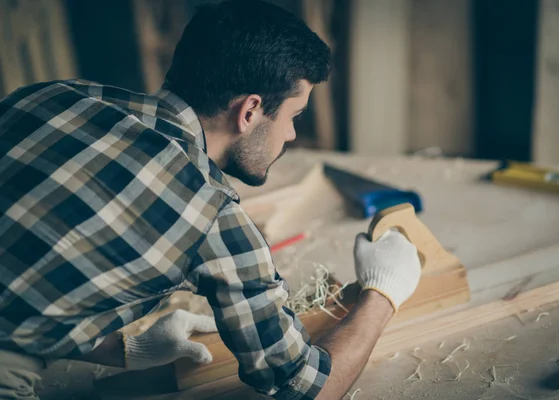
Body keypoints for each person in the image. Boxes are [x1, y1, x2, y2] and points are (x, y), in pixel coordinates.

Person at [0, 0, 421, 399]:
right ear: (250, 110)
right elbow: (307, 387)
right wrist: (382, 294)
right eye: (293, 117)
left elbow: (29, 289)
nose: (291, 135)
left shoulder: (49, 97)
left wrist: (122, 349)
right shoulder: (214, 216)